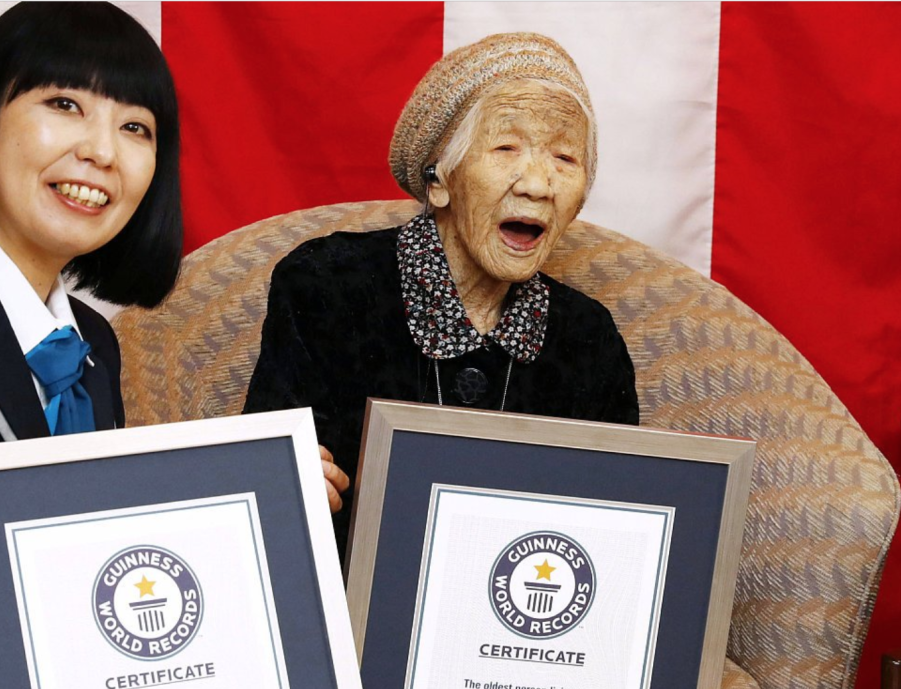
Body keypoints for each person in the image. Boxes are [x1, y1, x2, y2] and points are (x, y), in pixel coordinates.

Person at [244, 33, 639, 559]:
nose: (539, 184)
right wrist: (282, 479)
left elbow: (618, 522)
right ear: (439, 182)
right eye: (506, 147)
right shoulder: (327, 285)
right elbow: (265, 482)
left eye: (565, 158)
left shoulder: (589, 338)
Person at [0, 2, 183, 450]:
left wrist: (269, 475)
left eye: (134, 127)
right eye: (65, 104)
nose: (103, 152)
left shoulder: (92, 344)